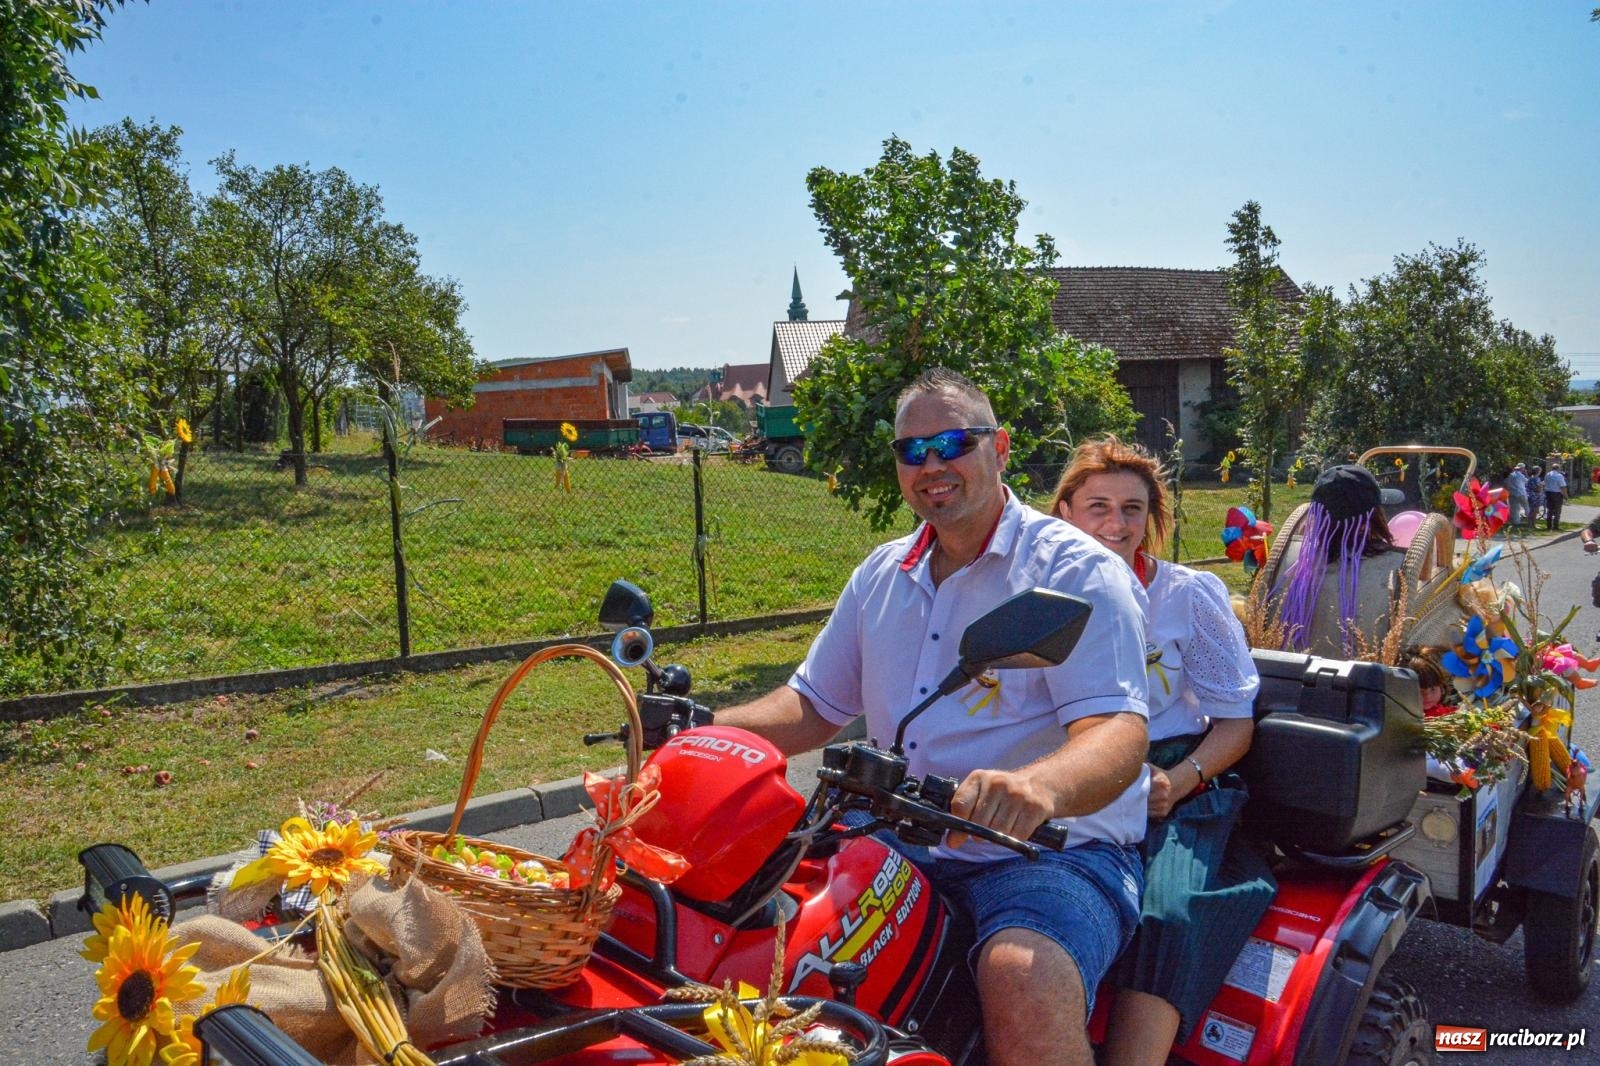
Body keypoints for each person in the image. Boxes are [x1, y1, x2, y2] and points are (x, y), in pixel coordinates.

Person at [718, 367, 1151, 1066]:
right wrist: (704, 728)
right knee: (744, 929)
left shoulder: (1075, 571)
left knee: (1022, 974)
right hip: (890, 840)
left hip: (1044, 854)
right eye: (910, 450)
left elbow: (1118, 731)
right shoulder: (883, 574)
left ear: (1000, 448)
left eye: (952, 442)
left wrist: (1038, 789)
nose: (931, 464)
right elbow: (813, 706)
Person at [1051, 437, 1274, 1065]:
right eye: (1098, 506)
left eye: (1133, 508)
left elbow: (1235, 724)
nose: (1116, 524)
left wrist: (1178, 781)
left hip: (1175, 779)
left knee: (1167, 911)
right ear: (1064, 511)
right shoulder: (1036, 596)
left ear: (1152, 518)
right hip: (1073, 771)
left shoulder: (1185, 595)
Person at [1268, 464, 1406, 658]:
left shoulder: (1289, 560)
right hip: (1363, 683)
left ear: (1316, 516)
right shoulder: (1398, 569)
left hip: (1290, 679)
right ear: (1368, 520)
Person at [1544, 464, 1568, 531]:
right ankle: (1556, 526)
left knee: (1550, 510)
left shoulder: (1548, 474)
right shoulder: (1559, 476)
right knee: (1557, 510)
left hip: (1548, 493)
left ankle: (1549, 526)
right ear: (1558, 469)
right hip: (1556, 493)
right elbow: (1563, 486)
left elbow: (1545, 483)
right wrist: (1566, 496)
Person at [1506, 462, 1530, 531]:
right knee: (1526, 507)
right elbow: (1527, 481)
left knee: (1514, 509)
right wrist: (1526, 474)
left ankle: (1516, 522)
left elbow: (1507, 484)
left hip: (1512, 494)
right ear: (1522, 469)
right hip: (1521, 493)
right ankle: (1530, 521)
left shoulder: (1511, 475)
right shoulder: (1521, 475)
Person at [1528, 465, 1546, 531]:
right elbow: (1538, 489)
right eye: (1540, 470)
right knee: (1535, 511)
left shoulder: (1531, 477)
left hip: (1530, 495)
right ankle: (1534, 524)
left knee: (1531, 510)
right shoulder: (1537, 478)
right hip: (1535, 496)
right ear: (1538, 471)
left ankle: (1530, 524)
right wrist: (1542, 485)